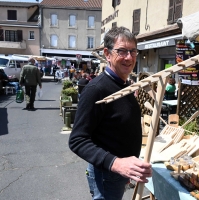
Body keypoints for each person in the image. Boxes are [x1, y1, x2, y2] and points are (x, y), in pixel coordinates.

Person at [69, 26, 152, 200]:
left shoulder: (124, 86)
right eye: (122, 51)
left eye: (133, 51)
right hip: (107, 174)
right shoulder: (96, 90)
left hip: (120, 173)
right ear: (107, 54)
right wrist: (116, 163)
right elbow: (77, 140)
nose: (129, 57)